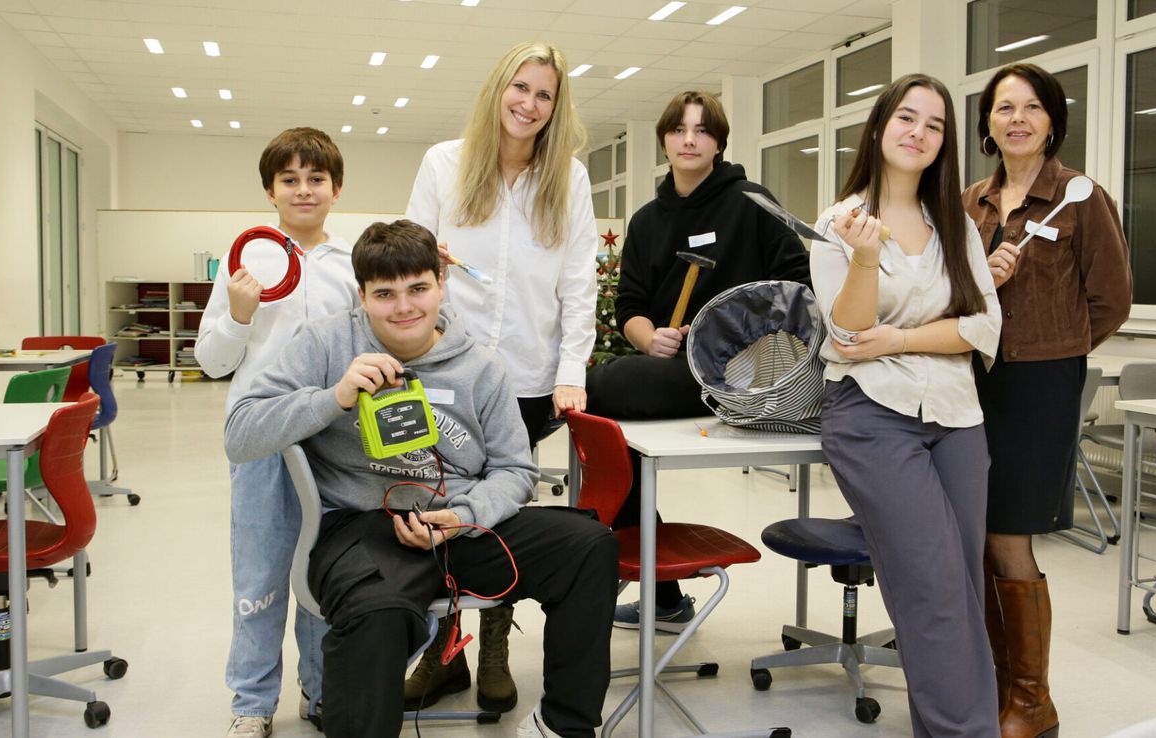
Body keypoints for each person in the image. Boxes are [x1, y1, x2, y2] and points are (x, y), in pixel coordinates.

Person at [223, 219, 617, 738]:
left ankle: (563, 726)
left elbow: (516, 471)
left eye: (418, 289)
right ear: (361, 295)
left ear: (441, 284)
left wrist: (463, 517)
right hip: (364, 528)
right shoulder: (323, 343)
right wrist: (333, 398)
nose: (404, 307)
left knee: (589, 545)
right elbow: (240, 433)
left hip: (460, 523)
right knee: (375, 615)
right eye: (384, 294)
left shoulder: (480, 366)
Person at [402, 40, 597, 714]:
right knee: (440, 504)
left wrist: (572, 369)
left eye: (544, 95)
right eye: (521, 88)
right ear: (498, 89)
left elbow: (578, 283)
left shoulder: (567, 177)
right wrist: (428, 259)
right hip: (445, 368)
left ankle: (493, 650)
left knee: (500, 514)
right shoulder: (444, 164)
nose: (529, 104)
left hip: (529, 378)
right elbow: (408, 258)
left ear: (556, 105)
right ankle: (440, 646)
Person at [810, 74, 1002, 737]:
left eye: (936, 125)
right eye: (907, 118)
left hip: (957, 416)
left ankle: (945, 728)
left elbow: (981, 329)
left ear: (944, 145)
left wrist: (898, 338)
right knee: (933, 585)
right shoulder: (841, 223)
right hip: (872, 415)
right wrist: (864, 261)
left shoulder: (956, 227)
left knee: (963, 590)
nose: (919, 132)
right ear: (878, 126)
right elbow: (846, 335)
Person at [584, 90, 810, 631]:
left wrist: (735, 329)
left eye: (703, 130)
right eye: (680, 129)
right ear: (664, 139)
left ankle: (653, 589)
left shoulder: (752, 202)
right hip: (677, 366)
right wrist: (649, 340)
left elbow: (797, 285)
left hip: (743, 372)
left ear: (719, 142)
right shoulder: (645, 221)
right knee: (604, 429)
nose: (690, 139)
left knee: (599, 389)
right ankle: (662, 593)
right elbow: (631, 308)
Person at [962, 63, 1132, 738]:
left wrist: (1054, 348)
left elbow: (1111, 299)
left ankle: (1032, 702)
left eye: (1032, 107)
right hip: (969, 380)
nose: (1018, 119)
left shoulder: (1081, 197)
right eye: (1005, 108)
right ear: (988, 123)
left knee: (1008, 536)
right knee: (972, 534)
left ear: (1053, 120)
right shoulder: (973, 202)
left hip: (1039, 387)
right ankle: (993, 684)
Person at [195, 127, 360, 738]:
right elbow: (210, 360)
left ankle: (320, 694)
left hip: (334, 440)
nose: (304, 189)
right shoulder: (246, 260)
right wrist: (239, 314)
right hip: (263, 440)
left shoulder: (351, 266)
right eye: (289, 179)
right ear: (270, 190)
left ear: (336, 189)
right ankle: (253, 703)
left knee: (323, 571)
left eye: (316, 178)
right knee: (260, 577)